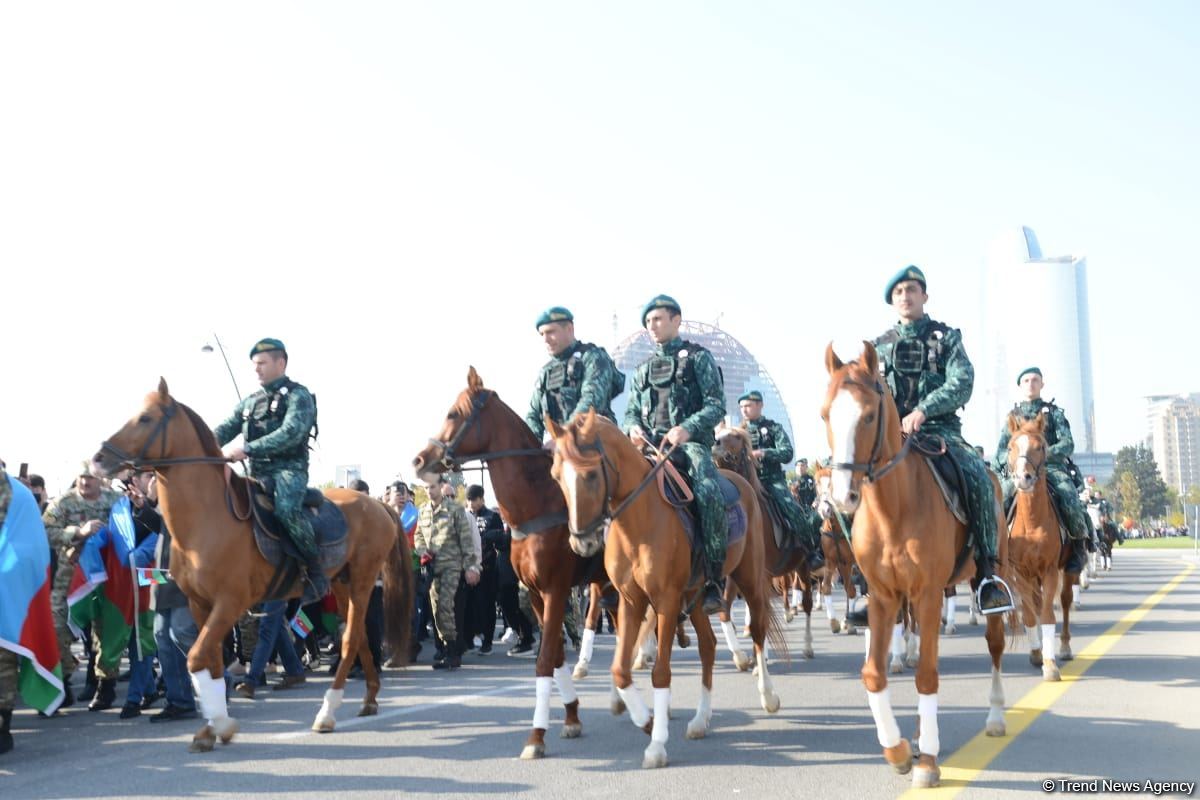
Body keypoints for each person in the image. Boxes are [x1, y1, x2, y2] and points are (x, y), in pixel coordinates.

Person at [873, 266, 1013, 614]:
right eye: (899, 292)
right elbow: (870, 391)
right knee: (851, 485)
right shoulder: (879, 347)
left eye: (911, 290)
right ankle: (866, 580)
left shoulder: (946, 338)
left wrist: (923, 409)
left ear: (924, 296)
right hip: (893, 437)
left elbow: (962, 381)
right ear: (893, 301)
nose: (905, 296)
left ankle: (986, 574)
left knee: (979, 479)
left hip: (941, 432)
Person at [624, 294, 728, 614]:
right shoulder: (642, 369)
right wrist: (632, 428)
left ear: (676, 320)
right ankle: (615, 577)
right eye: (647, 322)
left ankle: (713, 577)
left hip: (689, 446)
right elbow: (630, 412)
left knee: (709, 491)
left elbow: (716, 405)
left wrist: (687, 428)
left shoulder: (698, 358)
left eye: (657, 319)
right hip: (649, 446)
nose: (651, 326)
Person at [213, 338, 325, 599]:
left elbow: (292, 432)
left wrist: (248, 448)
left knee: (286, 511)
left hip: (289, 471)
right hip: (255, 473)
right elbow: (224, 429)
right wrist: (201, 446)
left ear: (281, 362)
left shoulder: (299, 395)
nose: (257, 369)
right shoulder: (249, 403)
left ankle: (316, 569)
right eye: (254, 364)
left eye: (262, 363)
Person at [992, 367, 1092, 573]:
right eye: (1026, 380)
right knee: (998, 502)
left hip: (1050, 468)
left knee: (1068, 496)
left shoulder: (1053, 413)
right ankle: (992, 551)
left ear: (1042, 384)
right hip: (1020, 471)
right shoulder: (1013, 417)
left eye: (1035, 380)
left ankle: (1079, 548)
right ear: (1020, 386)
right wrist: (1013, 461)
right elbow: (1001, 451)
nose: (1031, 384)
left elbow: (1068, 444)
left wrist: (1042, 453)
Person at [41, 461, 122, 707]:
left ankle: (105, 687)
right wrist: (76, 532)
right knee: (56, 629)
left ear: (101, 479)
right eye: (81, 477)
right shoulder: (64, 503)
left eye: (91, 478)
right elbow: (45, 530)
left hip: (105, 579)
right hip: (70, 579)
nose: (85, 482)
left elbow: (130, 529)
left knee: (105, 632)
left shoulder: (115, 501)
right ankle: (62, 683)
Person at [738, 391, 823, 570]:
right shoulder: (738, 432)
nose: (744, 410)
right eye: (741, 407)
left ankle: (810, 552)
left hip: (771, 480)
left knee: (793, 509)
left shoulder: (773, 428)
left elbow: (787, 452)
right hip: (746, 481)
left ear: (759, 405)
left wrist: (764, 453)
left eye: (748, 406)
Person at [525, 306, 623, 441]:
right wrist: (532, 447)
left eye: (550, 332)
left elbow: (591, 402)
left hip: (597, 444)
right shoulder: (546, 372)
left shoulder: (593, 357)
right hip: (560, 448)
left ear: (569, 329)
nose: (545, 339)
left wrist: (563, 437)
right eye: (542, 334)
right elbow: (533, 415)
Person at [414, 480, 480, 670]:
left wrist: (471, 567)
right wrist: (421, 550)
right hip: (432, 566)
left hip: (452, 565)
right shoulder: (423, 510)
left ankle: (453, 650)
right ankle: (446, 648)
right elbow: (419, 535)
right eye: (426, 488)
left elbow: (466, 540)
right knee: (435, 610)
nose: (429, 491)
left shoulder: (454, 509)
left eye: (432, 487)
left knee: (445, 606)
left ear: (440, 488)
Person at [466, 485, 504, 655]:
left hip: (488, 569)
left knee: (487, 606)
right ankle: (471, 638)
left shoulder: (492, 516)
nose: (471, 503)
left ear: (482, 498)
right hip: (469, 568)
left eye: (474, 500)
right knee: (470, 606)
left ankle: (487, 641)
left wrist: (494, 535)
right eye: (468, 500)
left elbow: (502, 541)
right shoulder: (465, 517)